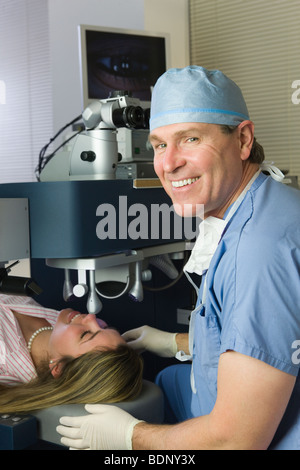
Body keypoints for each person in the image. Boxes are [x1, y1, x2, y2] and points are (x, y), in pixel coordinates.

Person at [56, 66, 300, 450]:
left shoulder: (254, 251)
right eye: (159, 145)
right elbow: (264, 335)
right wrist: (175, 343)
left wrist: (129, 437)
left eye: (190, 139)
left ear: (243, 139)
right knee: (169, 378)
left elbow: (237, 441)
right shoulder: (270, 204)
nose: (169, 164)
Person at [0, 293, 143, 413]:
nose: (92, 317)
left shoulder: (5, 364)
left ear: (58, 367)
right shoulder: (56, 324)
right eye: (103, 326)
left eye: (86, 334)